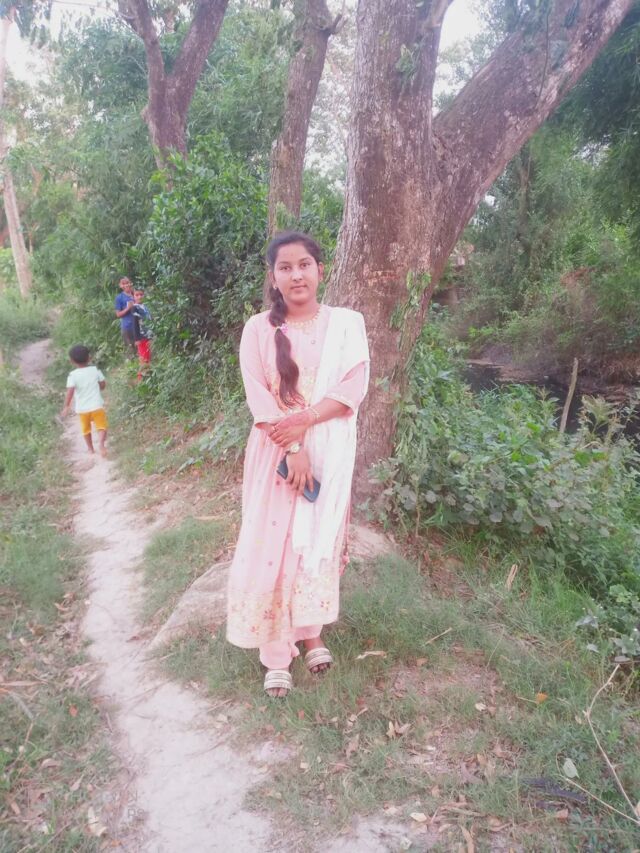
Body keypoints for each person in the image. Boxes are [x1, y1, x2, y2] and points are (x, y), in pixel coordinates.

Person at [226, 231, 370, 698]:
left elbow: (352, 388)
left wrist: (306, 425)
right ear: (273, 277)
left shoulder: (346, 324)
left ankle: (310, 632)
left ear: (320, 270)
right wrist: (292, 447)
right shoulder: (257, 329)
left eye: (304, 264)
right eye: (285, 267)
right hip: (275, 451)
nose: (296, 275)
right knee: (273, 546)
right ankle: (275, 652)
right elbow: (258, 395)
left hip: (328, 447)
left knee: (313, 544)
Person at [61, 344, 108, 457]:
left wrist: (66, 406)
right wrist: (99, 386)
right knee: (102, 427)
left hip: (83, 409)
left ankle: (90, 449)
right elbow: (103, 385)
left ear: (71, 361)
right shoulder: (95, 370)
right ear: (89, 358)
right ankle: (101, 444)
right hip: (97, 406)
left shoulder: (72, 375)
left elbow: (70, 391)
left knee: (86, 430)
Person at [131, 288, 152, 380]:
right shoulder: (134, 308)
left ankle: (147, 377)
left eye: (141, 294)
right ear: (133, 296)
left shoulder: (145, 306)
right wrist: (137, 339)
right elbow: (135, 323)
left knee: (148, 357)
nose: (139, 297)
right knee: (144, 358)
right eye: (137, 295)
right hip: (141, 336)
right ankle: (140, 379)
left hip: (148, 335)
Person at [114, 277, 136, 357]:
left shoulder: (136, 294)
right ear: (120, 286)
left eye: (128, 283)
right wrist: (127, 308)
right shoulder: (119, 298)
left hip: (139, 324)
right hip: (127, 326)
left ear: (131, 283)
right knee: (131, 350)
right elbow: (118, 314)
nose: (126, 285)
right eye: (124, 284)